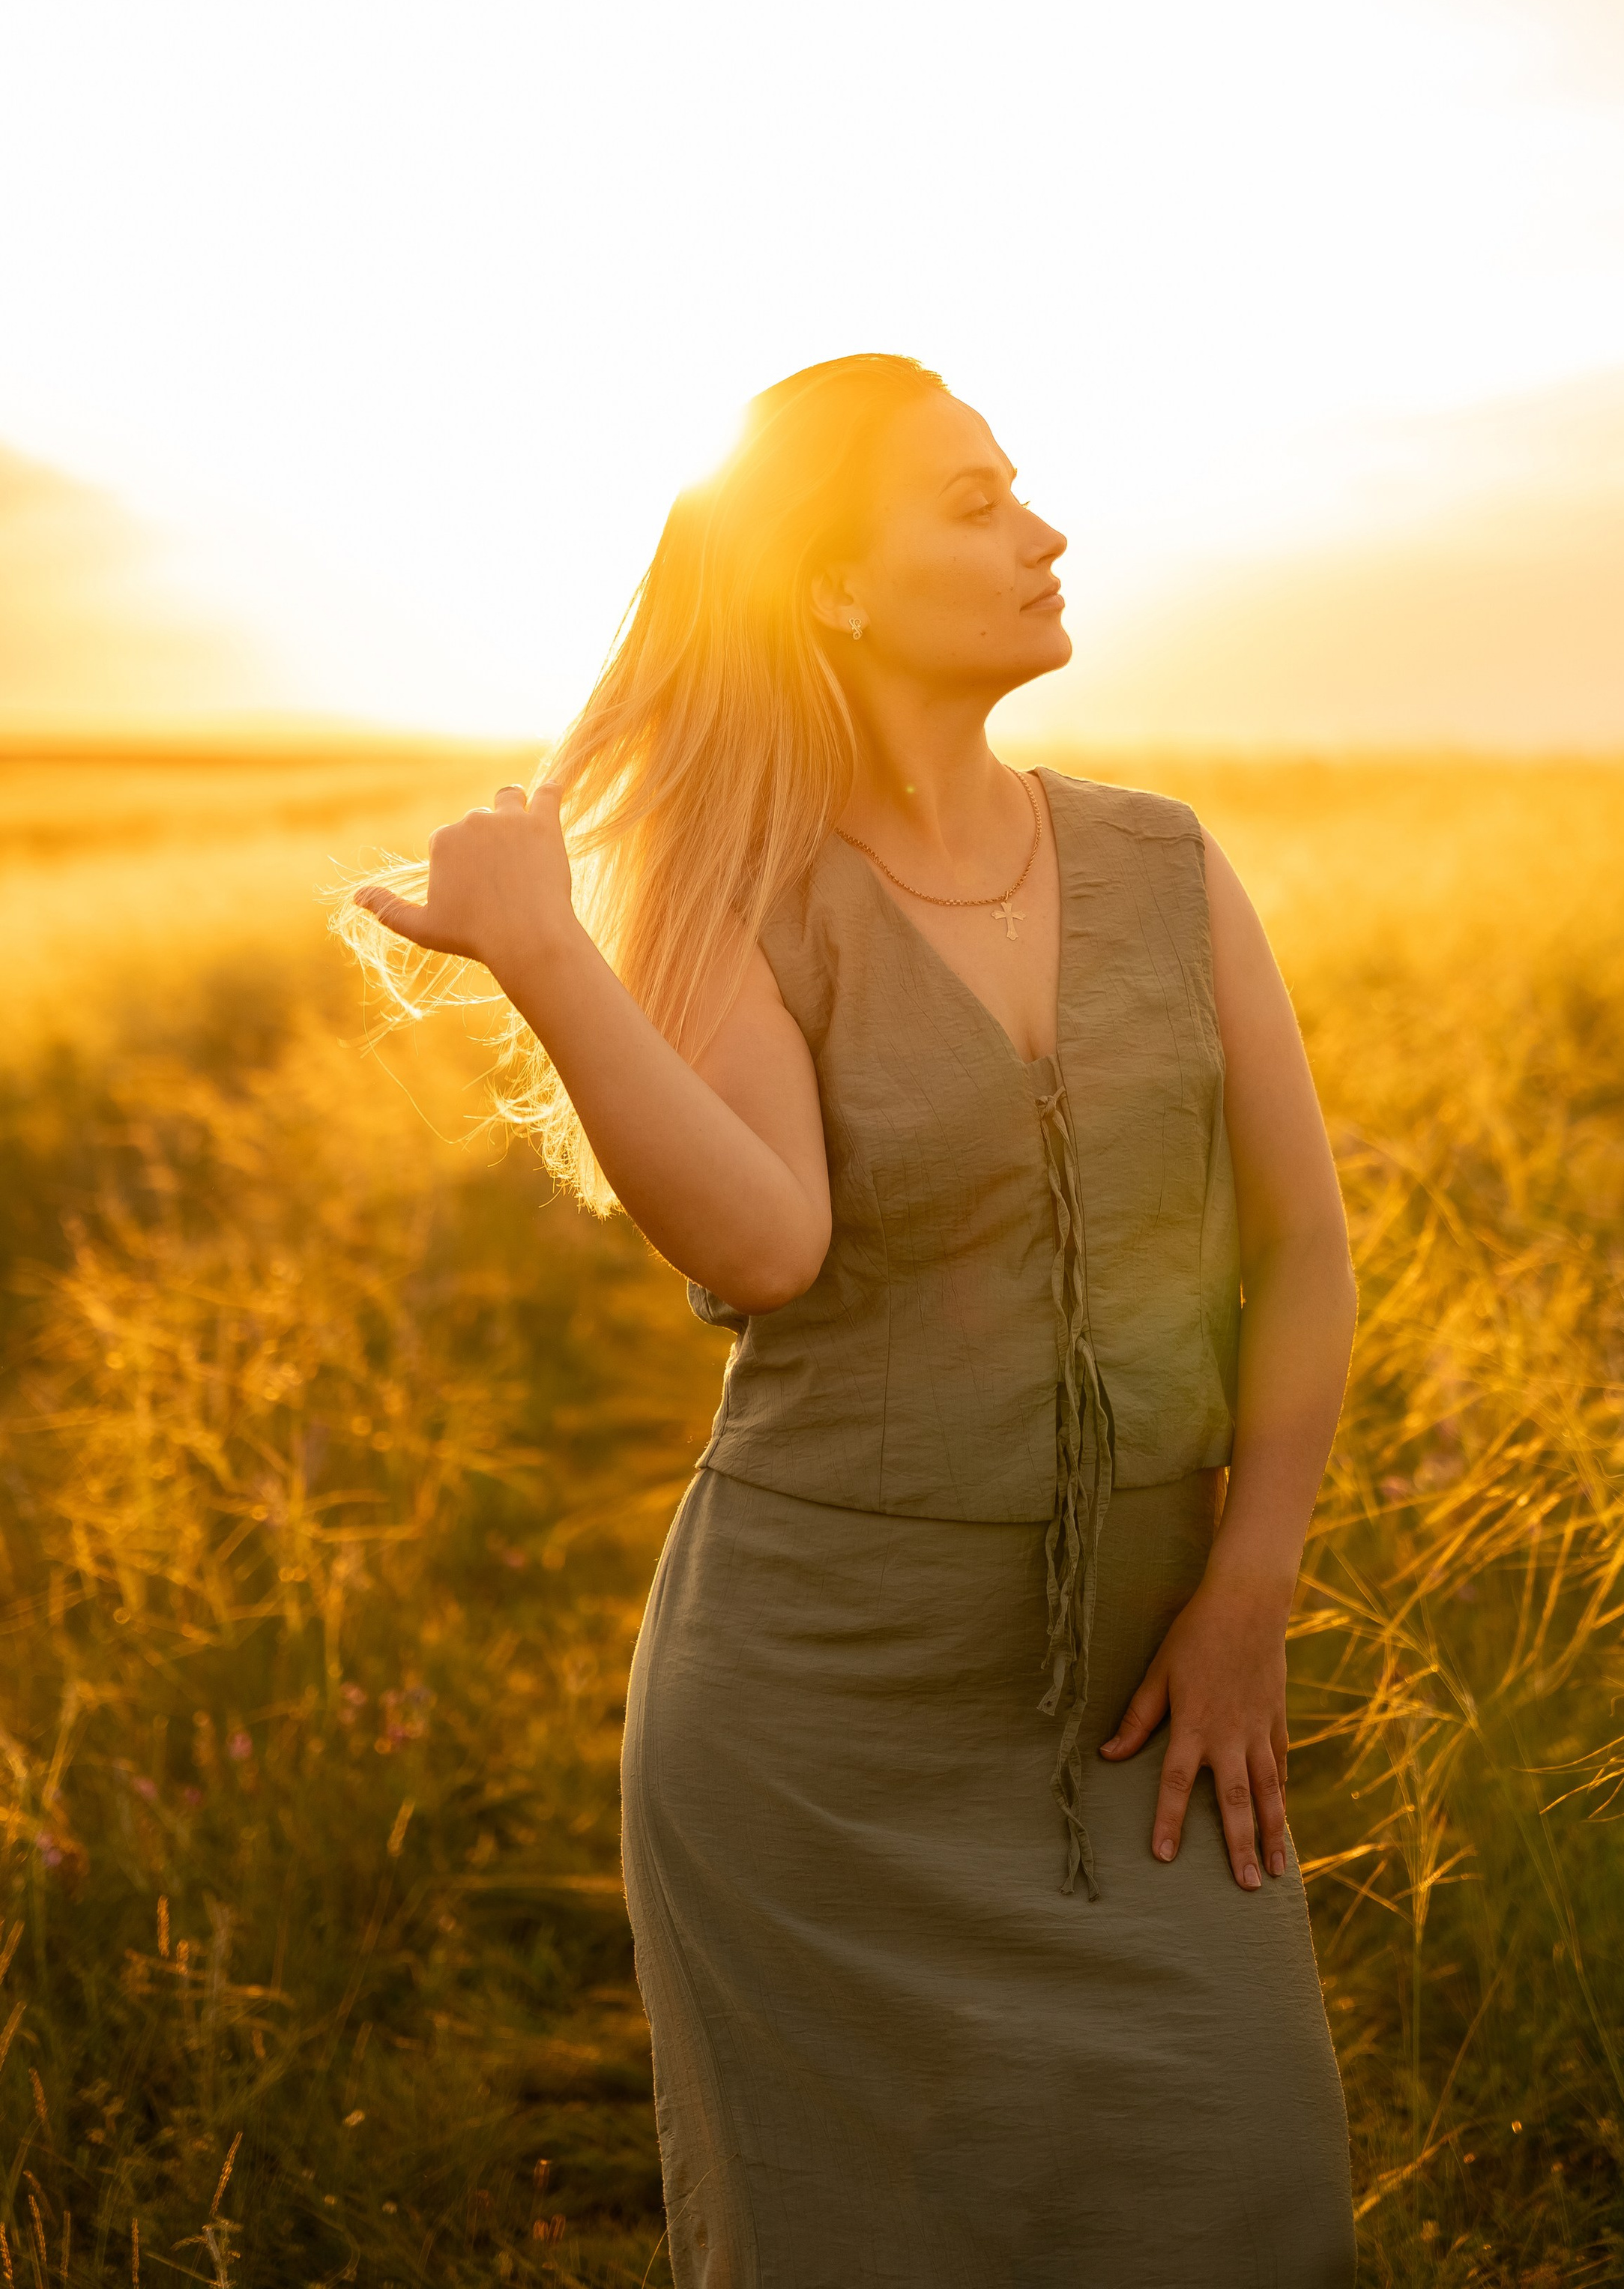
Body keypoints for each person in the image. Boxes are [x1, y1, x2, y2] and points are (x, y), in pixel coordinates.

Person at [347, 352, 1357, 2288]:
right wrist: (548, 959)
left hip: (1153, 1697)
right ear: (829, 585)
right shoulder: (742, 895)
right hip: (818, 1732)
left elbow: (1301, 1253)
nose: (1041, 530)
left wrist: (1251, 1592)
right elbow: (773, 1242)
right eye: (971, 504)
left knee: (1250, 2189)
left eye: (1023, 487)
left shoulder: (1169, 867)